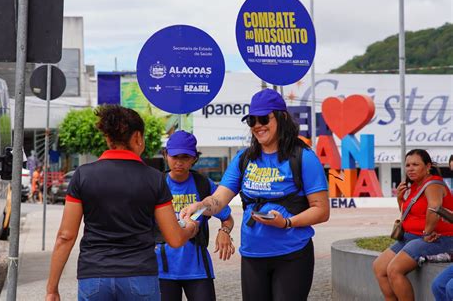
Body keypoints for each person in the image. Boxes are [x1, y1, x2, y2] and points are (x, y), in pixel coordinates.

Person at [181, 88, 330, 301]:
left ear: (282, 118)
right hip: (252, 255)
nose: (258, 125)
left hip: (292, 254)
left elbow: (321, 210)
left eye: (263, 119)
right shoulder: (244, 158)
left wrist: (287, 223)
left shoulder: (304, 157)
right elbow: (219, 198)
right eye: (252, 120)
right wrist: (200, 207)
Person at [46, 105, 199, 301]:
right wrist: (191, 227)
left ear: (108, 138)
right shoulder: (154, 179)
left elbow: (65, 236)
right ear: (137, 137)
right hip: (140, 276)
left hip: (94, 276)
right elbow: (175, 239)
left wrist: (52, 288)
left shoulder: (83, 176)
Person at [157, 130, 235, 301]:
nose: (179, 162)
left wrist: (225, 231)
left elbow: (227, 218)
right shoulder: (157, 184)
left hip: (197, 269)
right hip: (162, 269)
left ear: (194, 159)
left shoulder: (203, 185)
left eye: (185, 157)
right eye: (174, 156)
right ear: (165, 155)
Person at [373, 149, 453, 301]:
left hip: (439, 238)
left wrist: (427, 232)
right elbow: (409, 216)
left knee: (394, 270)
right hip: (410, 236)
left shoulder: (433, 184)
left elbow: (435, 208)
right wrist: (400, 200)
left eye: (415, 164)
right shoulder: (416, 186)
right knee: (379, 267)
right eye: (408, 165)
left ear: (428, 166)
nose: (410, 168)